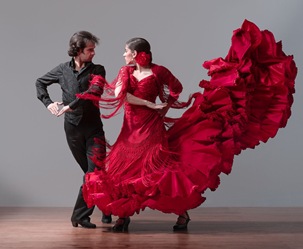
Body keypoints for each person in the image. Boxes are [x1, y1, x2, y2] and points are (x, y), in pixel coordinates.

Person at [80, 20, 296, 232]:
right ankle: (123, 216)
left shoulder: (158, 71)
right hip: (130, 130)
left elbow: (176, 88)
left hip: (151, 129)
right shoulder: (125, 72)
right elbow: (121, 95)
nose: (124, 54)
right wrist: (149, 103)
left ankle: (181, 214)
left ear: (136, 54)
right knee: (123, 170)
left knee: (159, 172)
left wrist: (165, 106)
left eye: (126, 51)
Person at [35, 31, 112, 228]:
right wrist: (48, 103)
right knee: (91, 173)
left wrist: (71, 105)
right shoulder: (62, 69)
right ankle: (108, 207)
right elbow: (40, 82)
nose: (93, 53)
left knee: (95, 172)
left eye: (94, 49)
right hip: (72, 130)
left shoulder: (98, 69)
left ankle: (79, 215)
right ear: (78, 50)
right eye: (90, 49)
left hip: (94, 129)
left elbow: (94, 90)